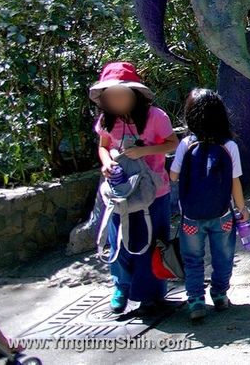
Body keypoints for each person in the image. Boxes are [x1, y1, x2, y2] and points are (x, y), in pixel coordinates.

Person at [90, 61, 178, 315]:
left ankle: (151, 295)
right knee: (119, 241)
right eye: (111, 96)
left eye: (121, 94)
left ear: (134, 94)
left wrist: (143, 151)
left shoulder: (156, 117)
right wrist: (106, 162)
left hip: (155, 193)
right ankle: (121, 287)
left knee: (152, 243)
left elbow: (172, 143)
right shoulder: (107, 121)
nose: (116, 100)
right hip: (121, 193)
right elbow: (103, 145)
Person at [170, 88, 248, 323]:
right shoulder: (229, 146)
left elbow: (173, 176)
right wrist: (242, 209)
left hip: (191, 218)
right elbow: (235, 183)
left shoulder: (186, 144)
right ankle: (220, 294)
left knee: (193, 259)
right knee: (223, 256)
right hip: (222, 216)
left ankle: (195, 300)